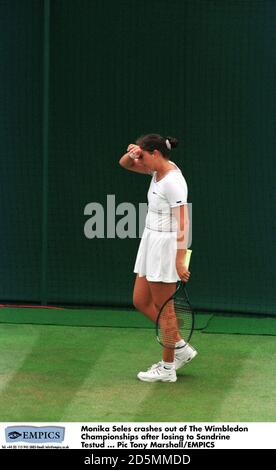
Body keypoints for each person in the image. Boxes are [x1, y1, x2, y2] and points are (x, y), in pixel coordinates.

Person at [119, 134, 197, 382]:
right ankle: (180, 348)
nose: (142, 161)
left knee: (166, 311)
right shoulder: (156, 171)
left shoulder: (173, 181)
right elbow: (125, 164)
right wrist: (133, 154)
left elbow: (184, 221)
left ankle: (167, 368)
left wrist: (179, 259)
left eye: (144, 156)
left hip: (166, 246)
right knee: (141, 300)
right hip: (150, 241)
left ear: (155, 153)